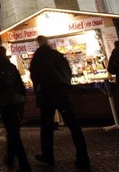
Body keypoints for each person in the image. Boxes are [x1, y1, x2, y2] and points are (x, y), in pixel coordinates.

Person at [29, 35, 90, 170]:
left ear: (38, 43)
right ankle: (83, 158)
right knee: (74, 126)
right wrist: (65, 84)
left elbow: (35, 75)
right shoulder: (57, 55)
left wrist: (38, 88)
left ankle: (48, 156)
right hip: (63, 92)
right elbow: (67, 71)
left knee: (46, 126)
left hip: (48, 93)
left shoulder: (39, 56)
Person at [0, 46, 31, 172]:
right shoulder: (11, 66)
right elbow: (19, 84)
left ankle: (25, 165)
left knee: (13, 134)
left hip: (6, 102)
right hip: (18, 101)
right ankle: (10, 158)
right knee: (13, 132)